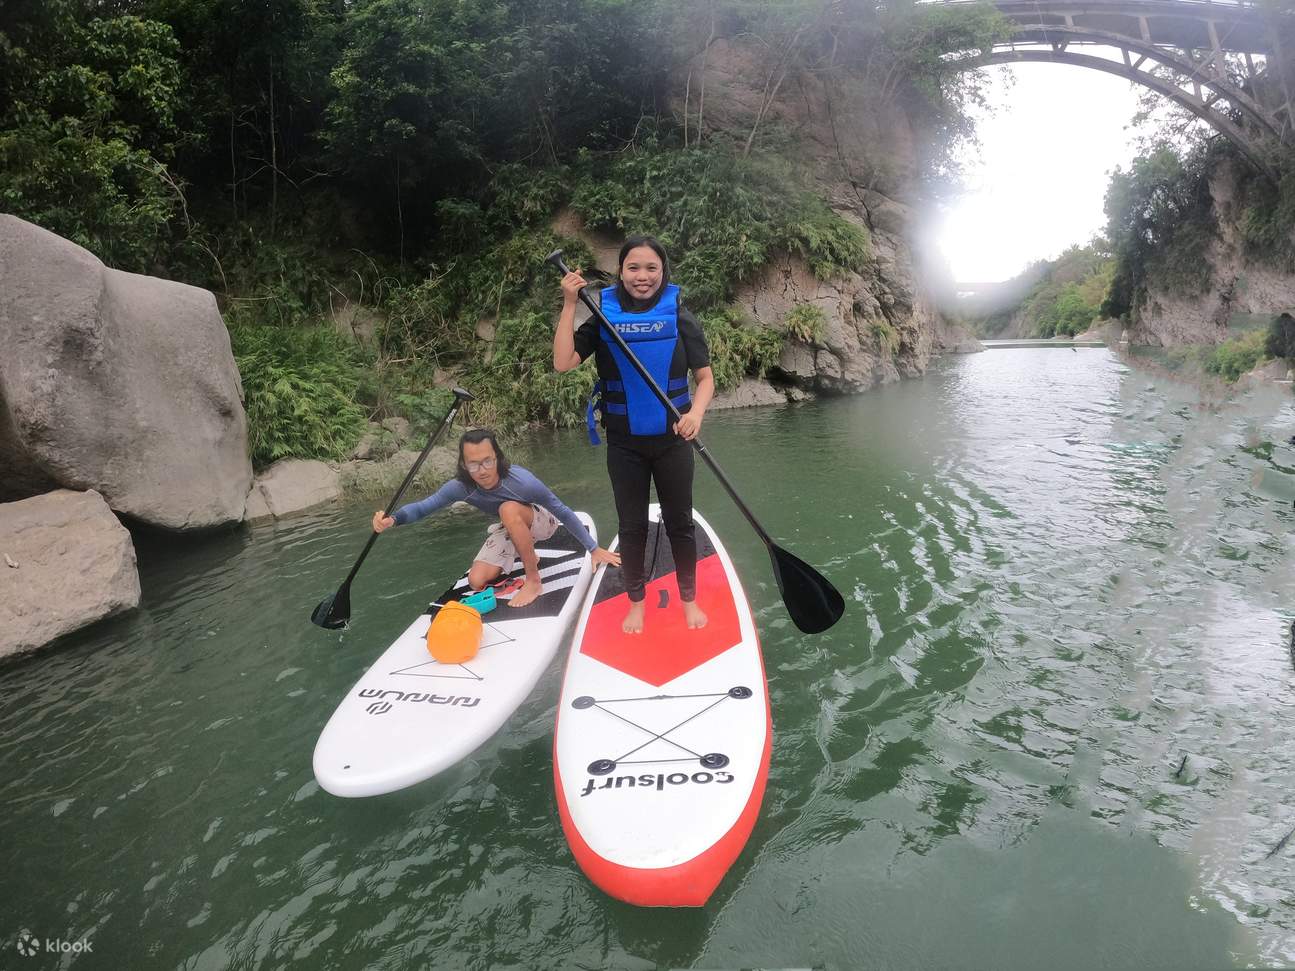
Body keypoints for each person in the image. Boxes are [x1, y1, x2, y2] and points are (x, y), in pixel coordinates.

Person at [552, 235, 715, 633]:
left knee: (680, 523)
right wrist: (570, 303)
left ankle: (689, 599)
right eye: (633, 268)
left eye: (651, 268)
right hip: (624, 444)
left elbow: (705, 378)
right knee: (632, 526)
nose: (642, 276)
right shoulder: (602, 314)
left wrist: (696, 413)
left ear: (663, 272)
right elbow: (562, 362)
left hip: (674, 439)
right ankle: (636, 603)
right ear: (621, 271)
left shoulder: (679, 315)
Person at [373, 428, 619, 608]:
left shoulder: (522, 481)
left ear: (498, 458)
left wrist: (594, 548)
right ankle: (529, 553)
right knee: (476, 580)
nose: (482, 471)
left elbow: (562, 511)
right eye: (473, 465)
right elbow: (423, 507)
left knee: (508, 509)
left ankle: (534, 581)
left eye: (488, 461)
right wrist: (392, 520)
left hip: (543, 522)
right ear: (464, 464)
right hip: (510, 526)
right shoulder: (460, 487)